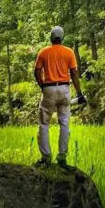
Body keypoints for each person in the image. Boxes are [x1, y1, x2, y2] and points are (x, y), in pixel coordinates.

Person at [33, 26, 84, 168]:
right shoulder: (69, 52)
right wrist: (79, 92)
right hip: (64, 88)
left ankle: (46, 157)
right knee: (64, 124)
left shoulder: (43, 52)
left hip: (49, 88)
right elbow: (74, 73)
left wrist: (43, 86)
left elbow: (37, 71)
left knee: (44, 124)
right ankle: (62, 157)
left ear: (51, 38)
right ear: (62, 38)